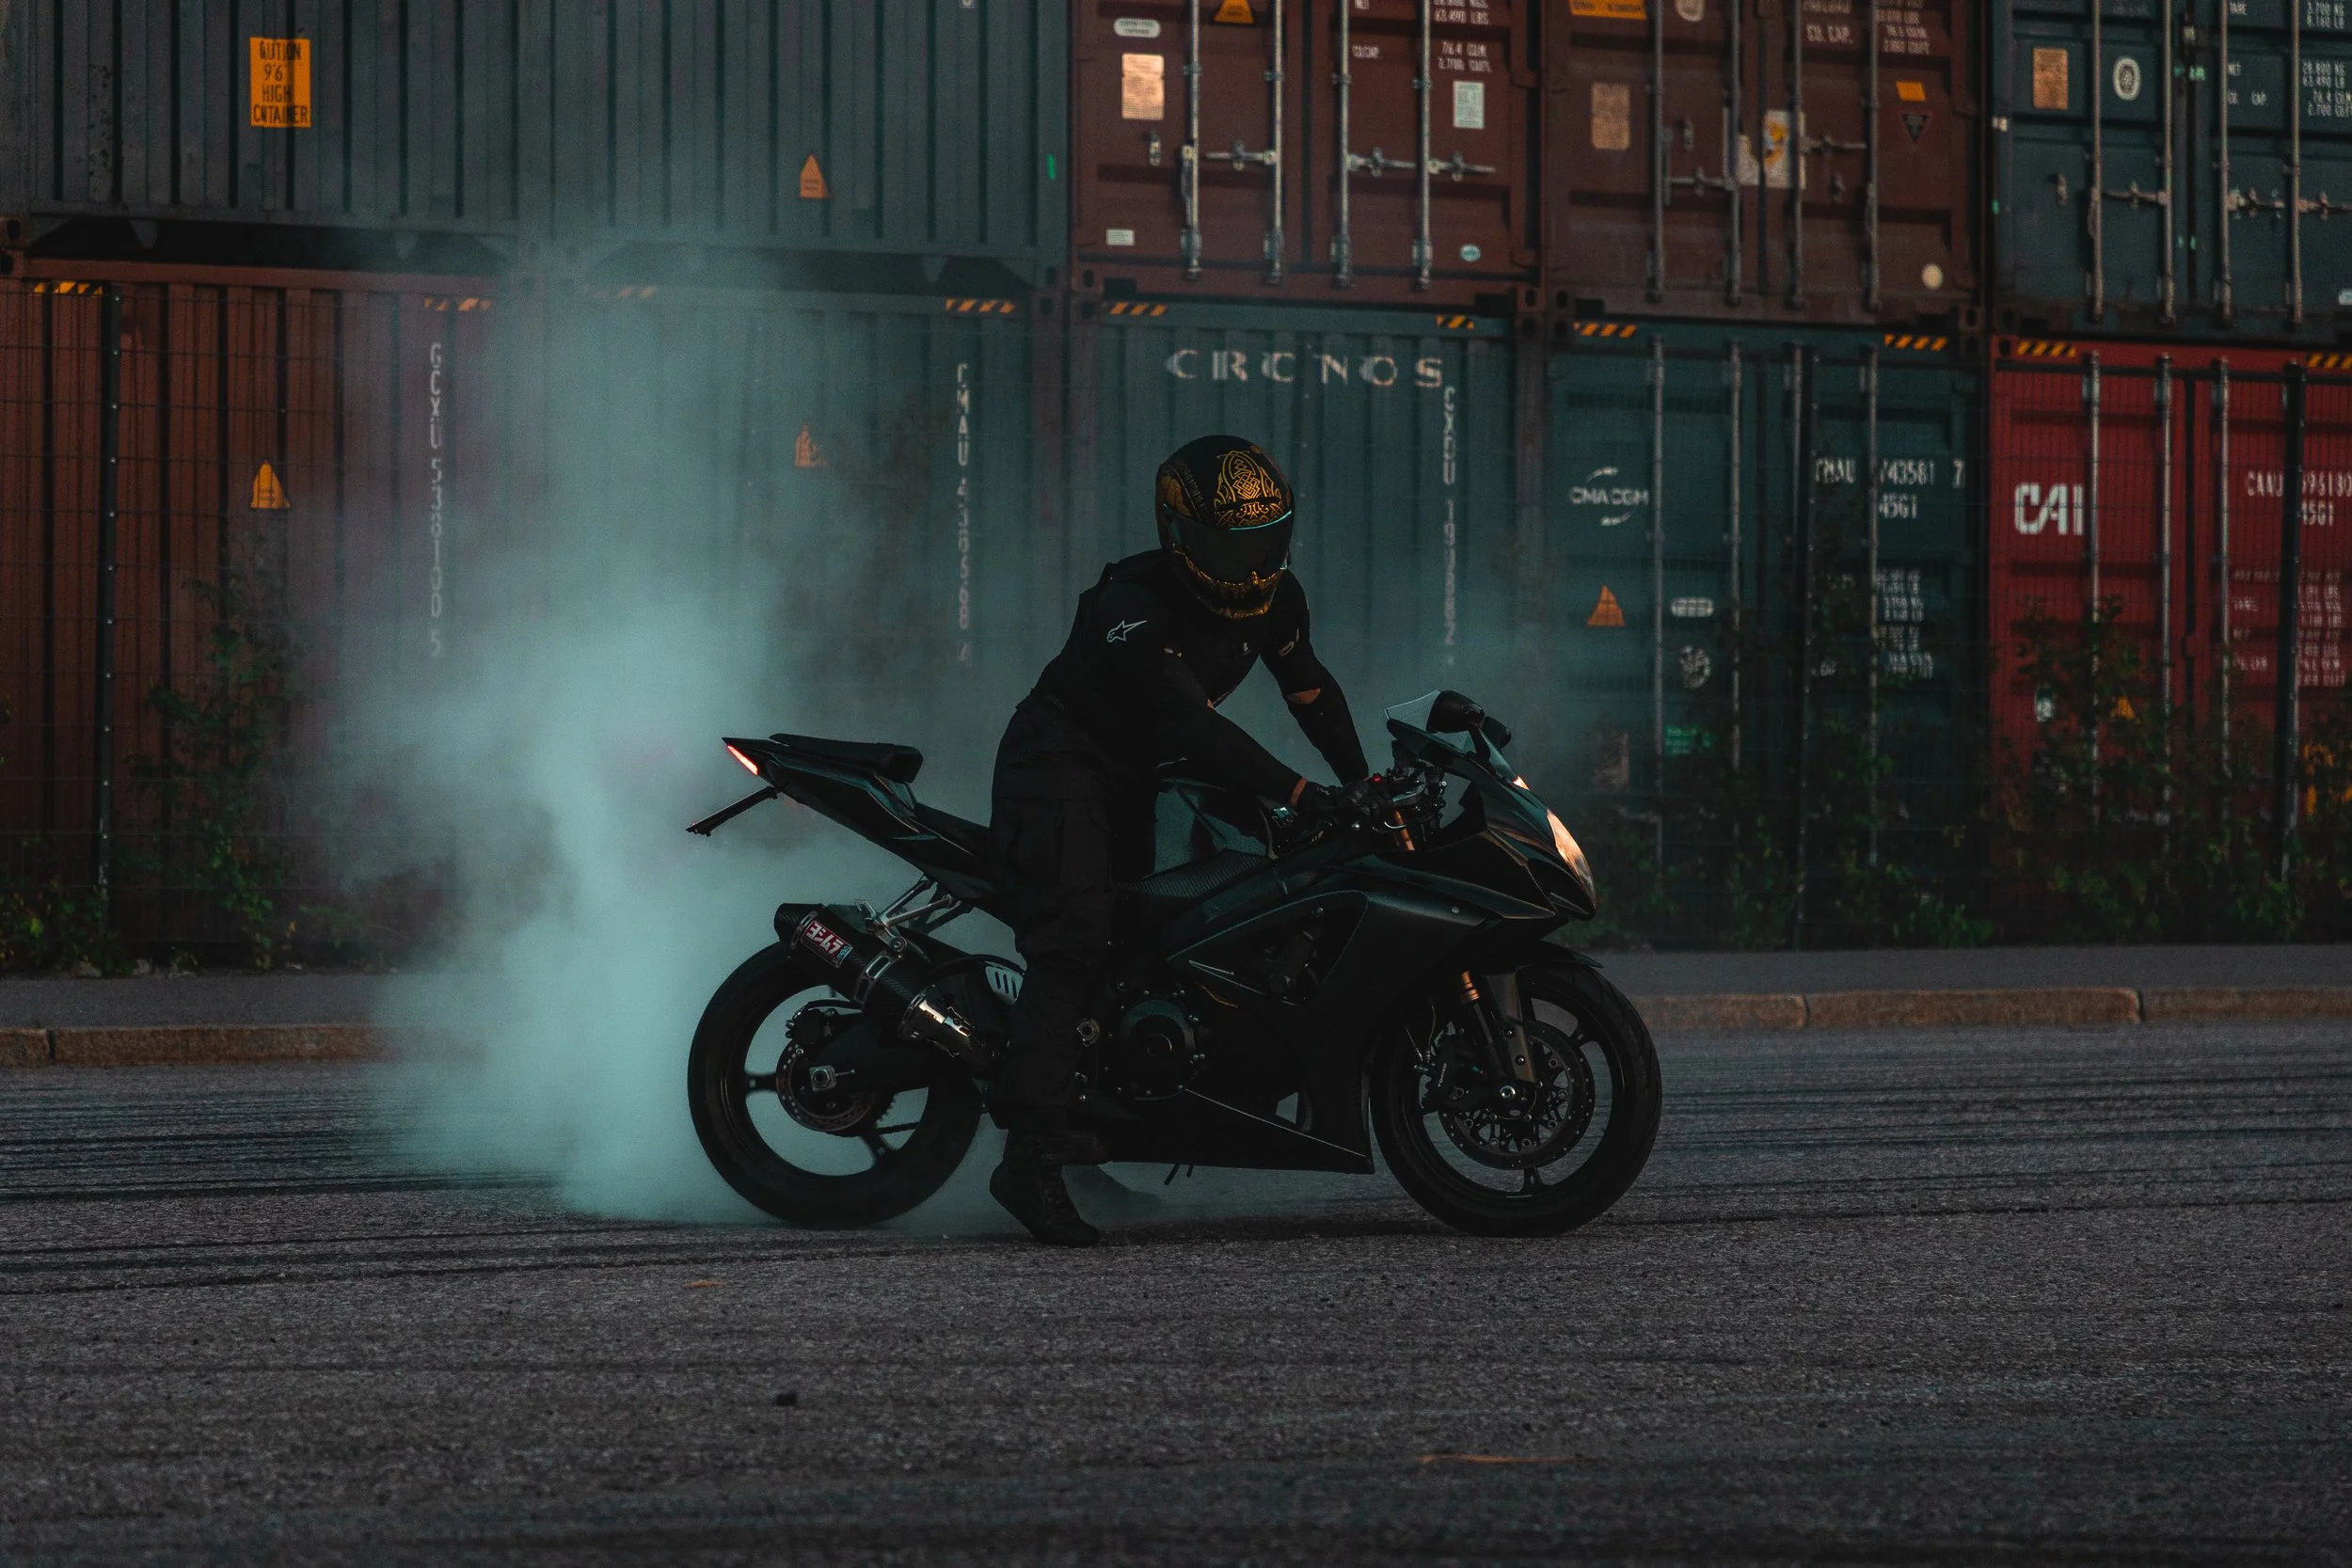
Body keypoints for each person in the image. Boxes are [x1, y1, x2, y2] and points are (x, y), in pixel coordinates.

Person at [986, 435, 1372, 1246]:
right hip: (1061, 767)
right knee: (1075, 945)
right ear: (1177, 536)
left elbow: (1309, 689)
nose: (1248, 563)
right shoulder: (1131, 608)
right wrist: (1304, 792)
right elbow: (1193, 728)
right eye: (1228, 547)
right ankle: (1029, 1160)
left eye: (1264, 544)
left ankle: (1090, 1148)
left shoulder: (1279, 599)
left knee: (1163, 941)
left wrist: (1363, 784)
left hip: (1138, 777)